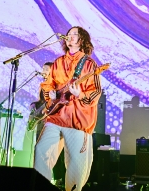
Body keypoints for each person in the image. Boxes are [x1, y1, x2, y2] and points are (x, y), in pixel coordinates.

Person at [34, 26, 102, 191]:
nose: (70, 36)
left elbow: (96, 92)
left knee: (76, 164)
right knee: (41, 150)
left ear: (82, 40)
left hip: (77, 120)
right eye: (69, 34)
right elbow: (48, 84)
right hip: (56, 116)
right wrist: (50, 94)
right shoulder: (58, 62)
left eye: (74, 34)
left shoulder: (89, 64)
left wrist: (80, 94)